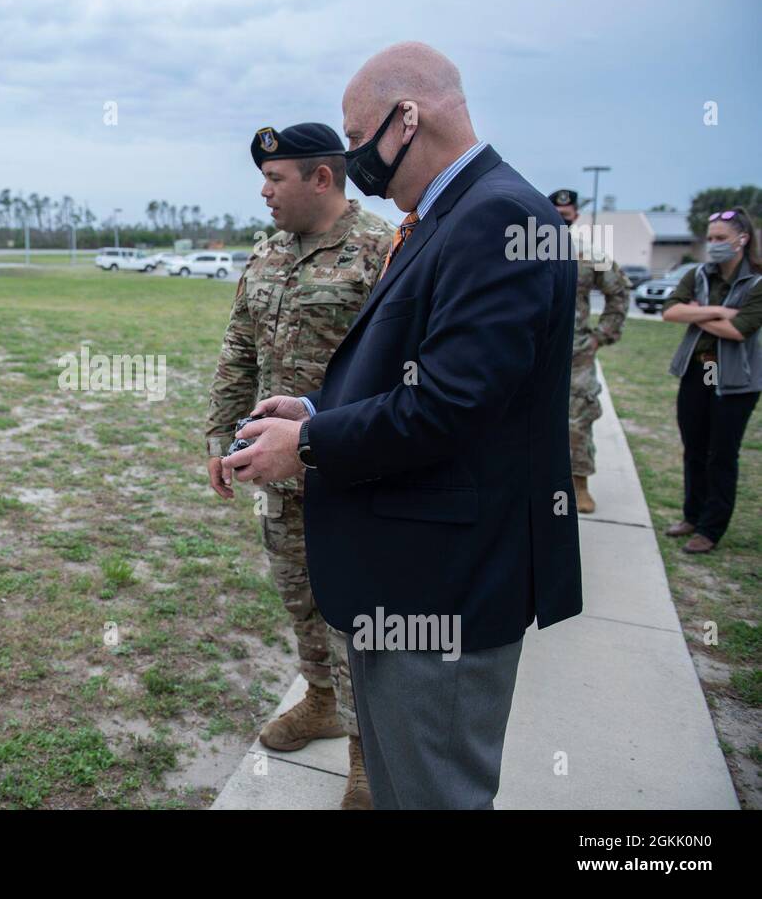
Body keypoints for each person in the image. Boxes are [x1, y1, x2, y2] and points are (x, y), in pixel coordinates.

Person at [222, 42, 583, 809]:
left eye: (359, 138)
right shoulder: (449, 215)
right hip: (411, 570)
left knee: (432, 794)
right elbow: (413, 372)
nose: (356, 159)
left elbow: (452, 405)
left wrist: (310, 443)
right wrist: (317, 408)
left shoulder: (498, 218)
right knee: (403, 790)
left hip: (445, 584)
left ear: (407, 118)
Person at [205, 122, 392, 809]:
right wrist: (219, 436)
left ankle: (367, 751)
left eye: (275, 179)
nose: (263, 191)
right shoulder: (268, 254)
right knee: (299, 597)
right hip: (277, 476)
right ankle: (320, 699)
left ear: (321, 177)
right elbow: (239, 349)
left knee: (358, 613)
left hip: (352, 471)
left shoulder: (382, 251)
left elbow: (405, 369)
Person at [662, 207, 762, 554]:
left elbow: (738, 330)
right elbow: (670, 311)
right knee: (694, 448)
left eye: (722, 238)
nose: (714, 244)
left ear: (742, 239)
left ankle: (710, 528)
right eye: (711, 238)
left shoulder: (757, 281)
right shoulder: (699, 274)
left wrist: (696, 312)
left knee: (721, 453)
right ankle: (692, 514)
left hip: (734, 378)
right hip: (698, 370)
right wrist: (718, 311)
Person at [549, 188, 629, 514]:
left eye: (566, 217)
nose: (561, 221)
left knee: (577, 416)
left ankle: (579, 482)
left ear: (576, 217)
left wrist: (602, 335)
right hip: (534, 346)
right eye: (555, 215)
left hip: (576, 349)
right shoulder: (524, 249)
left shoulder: (587, 251)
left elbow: (618, 292)